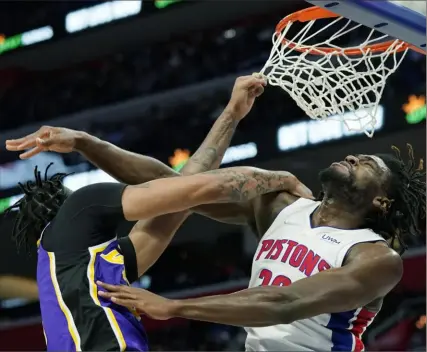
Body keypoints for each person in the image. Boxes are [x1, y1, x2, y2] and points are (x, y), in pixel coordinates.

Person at [8, 119, 425, 351]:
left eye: (368, 163)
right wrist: (87, 143)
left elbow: (285, 303)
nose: (353, 156)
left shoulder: (375, 258)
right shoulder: (283, 208)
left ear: (381, 203)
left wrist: (175, 308)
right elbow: (171, 186)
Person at [4, 75, 313, 352]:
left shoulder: (86, 268)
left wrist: (232, 112)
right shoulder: (81, 206)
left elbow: (184, 188)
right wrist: (280, 179)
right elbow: (199, 189)